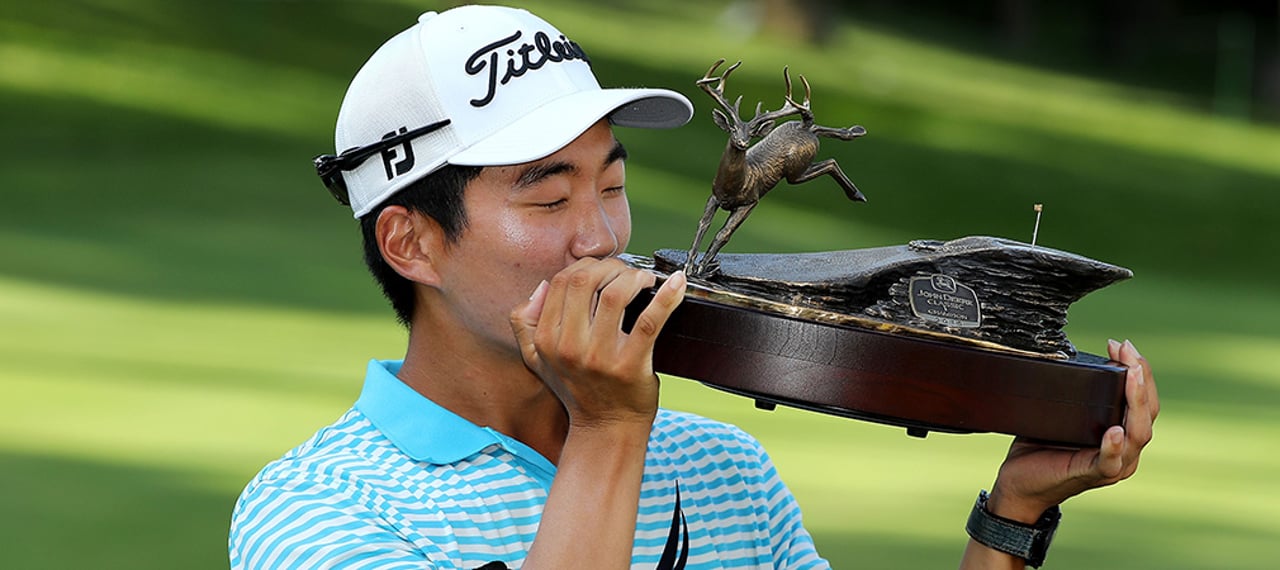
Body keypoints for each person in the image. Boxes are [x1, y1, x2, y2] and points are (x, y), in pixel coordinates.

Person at [229, 5, 1158, 569]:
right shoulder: (315, 513)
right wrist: (606, 431)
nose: (600, 236)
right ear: (411, 242)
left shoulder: (725, 471)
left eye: (612, 185)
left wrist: (1011, 519)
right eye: (548, 196)